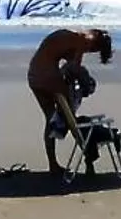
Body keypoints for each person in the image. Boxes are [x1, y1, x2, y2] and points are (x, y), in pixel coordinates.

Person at [27, 27, 113, 179]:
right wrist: (86, 82)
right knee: (70, 118)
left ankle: (53, 164)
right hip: (48, 75)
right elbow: (74, 68)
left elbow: (66, 63)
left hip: (34, 74)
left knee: (51, 119)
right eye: (94, 50)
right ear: (96, 42)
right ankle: (89, 157)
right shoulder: (85, 39)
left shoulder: (74, 36)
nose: (90, 52)